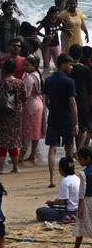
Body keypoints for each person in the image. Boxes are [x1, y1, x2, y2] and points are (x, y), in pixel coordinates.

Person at [46, 54, 79, 186]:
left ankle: (51, 179)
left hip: (53, 117)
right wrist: (76, 122)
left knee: (52, 148)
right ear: (63, 64)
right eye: (70, 64)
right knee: (69, 147)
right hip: (67, 118)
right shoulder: (69, 82)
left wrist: (53, 108)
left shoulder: (48, 80)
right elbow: (73, 103)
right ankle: (70, 175)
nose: (71, 67)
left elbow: (46, 100)